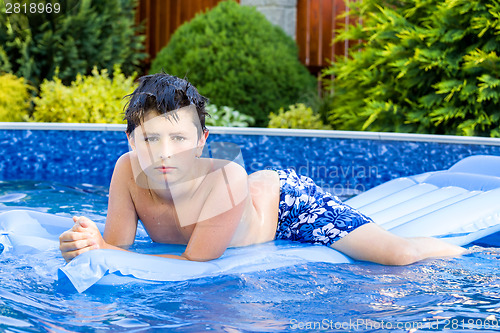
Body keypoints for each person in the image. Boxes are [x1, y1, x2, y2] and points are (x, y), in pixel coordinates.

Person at [59, 73, 465, 265]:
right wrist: (87, 243)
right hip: (248, 208)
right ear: (131, 141)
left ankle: (461, 251)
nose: (165, 153)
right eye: (150, 139)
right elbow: (119, 248)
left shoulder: (224, 178)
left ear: (201, 142)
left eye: (179, 139)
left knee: (397, 255)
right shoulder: (126, 170)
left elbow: (194, 263)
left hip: (289, 207)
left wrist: (103, 247)